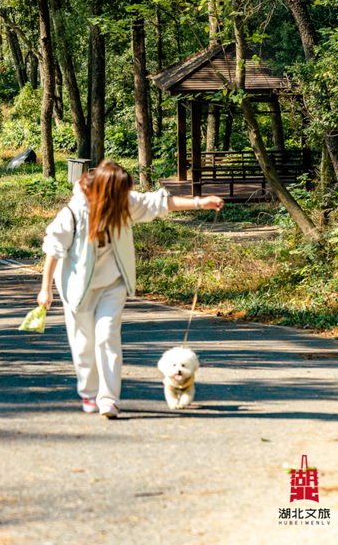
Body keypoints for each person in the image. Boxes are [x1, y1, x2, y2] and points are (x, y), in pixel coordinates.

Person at [37, 159, 224, 418]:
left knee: (107, 338)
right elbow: (53, 248)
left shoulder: (124, 203)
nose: (128, 196)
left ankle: (108, 400)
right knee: (83, 345)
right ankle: (89, 392)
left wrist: (199, 203)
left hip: (113, 285)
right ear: (108, 191)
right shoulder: (75, 212)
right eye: (123, 191)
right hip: (78, 288)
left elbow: (159, 203)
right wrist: (45, 288)